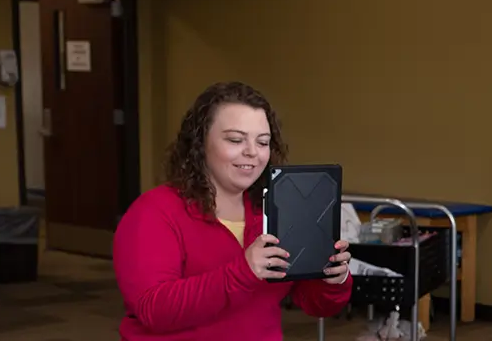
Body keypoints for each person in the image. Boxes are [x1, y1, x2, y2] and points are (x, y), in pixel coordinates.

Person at [113, 81, 354, 339]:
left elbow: (315, 304)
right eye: (235, 139)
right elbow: (154, 310)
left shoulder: (273, 210)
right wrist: (243, 272)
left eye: (262, 142)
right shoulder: (154, 212)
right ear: (200, 142)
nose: (252, 152)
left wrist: (333, 279)